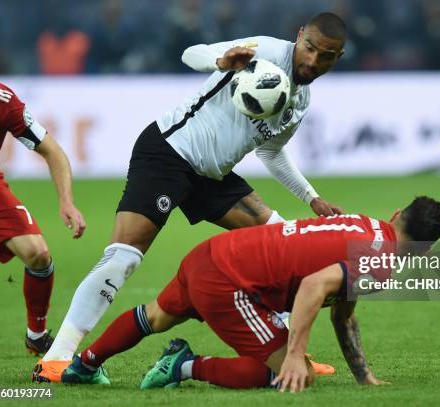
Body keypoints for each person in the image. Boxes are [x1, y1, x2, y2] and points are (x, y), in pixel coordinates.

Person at [34, 11, 348, 382]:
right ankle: (57, 357)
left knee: (284, 244)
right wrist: (220, 60)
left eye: (325, 56)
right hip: (169, 151)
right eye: (309, 48)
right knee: (124, 257)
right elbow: (191, 53)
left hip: (211, 175)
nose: (313, 60)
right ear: (299, 36)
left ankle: (289, 353)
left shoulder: (300, 101)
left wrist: (311, 197)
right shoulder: (263, 51)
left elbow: (271, 152)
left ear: (337, 57)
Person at [57, 196, 440, 393]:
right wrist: (294, 357)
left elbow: (342, 313)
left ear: (397, 214)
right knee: (296, 375)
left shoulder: (367, 225)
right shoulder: (381, 261)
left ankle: (85, 364)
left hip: (212, 254)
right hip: (232, 282)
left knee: (155, 316)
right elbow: (314, 287)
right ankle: (184, 365)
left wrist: (365, 378)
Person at [0, 77, 86, 355]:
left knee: (38, 254)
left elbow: (52, 151)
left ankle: (37, 335)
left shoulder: (2, 101)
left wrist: (67, 202)